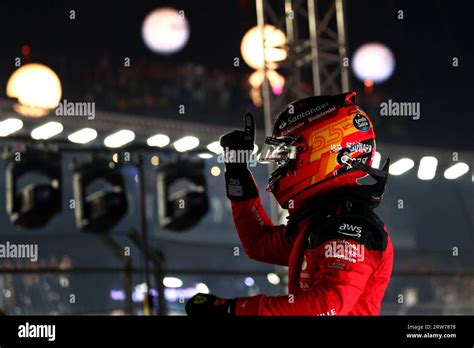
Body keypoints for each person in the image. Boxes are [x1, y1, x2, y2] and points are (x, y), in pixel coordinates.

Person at [186, 92, 393, 316]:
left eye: (288, 155)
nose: (282, 165)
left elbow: (328, 303)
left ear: (323, 150)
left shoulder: (353, 227)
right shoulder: (321, 221)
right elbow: (258, 243)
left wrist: (232, 309)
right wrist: (236, 170)